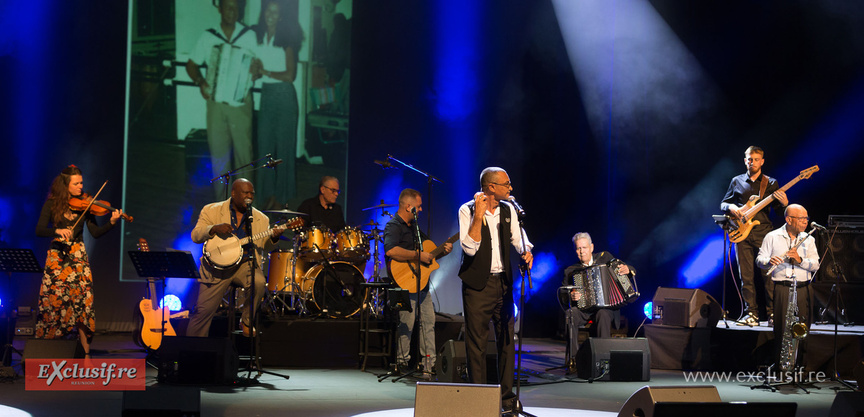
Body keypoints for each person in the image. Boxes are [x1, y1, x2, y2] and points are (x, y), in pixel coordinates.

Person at [458, 167, 533, 415]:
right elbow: (469, 248)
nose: (510, 188)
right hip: (478, 286)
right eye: (506, 184)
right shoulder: (466, 209)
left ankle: (507, 397)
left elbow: (519, 239)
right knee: (477, 343)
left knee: (507, 341)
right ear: (491, 187)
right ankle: (478, 399)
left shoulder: (508, 209)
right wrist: (479, 217)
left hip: (502, 283)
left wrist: (526, 251)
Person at [34, 165, 122, 358]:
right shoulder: (52, 204)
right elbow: (39, 230)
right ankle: (49, 352)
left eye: (81, 182)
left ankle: (87, 355)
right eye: (76, 183)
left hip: (78, 258)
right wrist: (57, 231)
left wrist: (112, 222)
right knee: (53, 304)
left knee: (83, 304)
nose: (81, 187)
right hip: (57, 259)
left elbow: (96, 233)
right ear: (66, 185)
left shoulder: (86, 204)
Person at [187, 178, 283, 337]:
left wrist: (274, 237)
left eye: (252, 193)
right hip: (216, 268)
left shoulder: (260, 218)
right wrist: (213, 229)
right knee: (202, 313)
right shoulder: (212, 210)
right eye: (245, 193)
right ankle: (192, 353)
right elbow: (196, 236)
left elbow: (265, 245)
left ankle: (246, 320)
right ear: (233, 193)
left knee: (259, 282)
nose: (249, 197)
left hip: (244, 264)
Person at [186, 0, 260, 198]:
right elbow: (191, 64)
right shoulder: (208, 36)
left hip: (241, 105)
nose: (232, 11)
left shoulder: (249, 36)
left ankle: (245, 204)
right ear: (219, 9)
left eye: (236, 7)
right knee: (219, 156)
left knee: (244, 156)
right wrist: (200, 81)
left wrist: (257, 71)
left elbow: (259, 66)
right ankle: (222, 203)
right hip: (216, 106)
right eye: (228, 6)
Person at [384, 189, 453, 378]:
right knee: (407, 322)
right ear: (409, 206)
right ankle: (402, 363)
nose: (421, 209)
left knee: (428, 322)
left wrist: (443, 251)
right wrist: (417, 255)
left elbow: (429, 252)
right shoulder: (393, 226)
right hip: (403, 283)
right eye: (418, 206)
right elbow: (391, 251)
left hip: (421, 284)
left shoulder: (415, 228)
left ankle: (428, 365)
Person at [721, 146, 788, 326]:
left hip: (764, 233)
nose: (753, 162)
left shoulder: (771, 183)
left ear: (762, 161)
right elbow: (724, 203)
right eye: (750, 159)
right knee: (746, 276)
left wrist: (784, 203)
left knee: (769, 274)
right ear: (745, 160)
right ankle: (752, 314)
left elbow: (780, 212)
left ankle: (773, 314)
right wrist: (732, 207)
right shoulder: (736, 181)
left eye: (756, 159)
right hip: (742, 233)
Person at [252, 0, 303, 208]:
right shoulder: (258, 37)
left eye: (275, 12)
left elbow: (290, 75)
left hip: (284, 97)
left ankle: (281, 197)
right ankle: (265, 193)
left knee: (283, 150)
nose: (270, 15)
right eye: (268, 10)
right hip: (267, 95)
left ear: (281, 16)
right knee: (264, 147)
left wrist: (264, 72)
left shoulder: (286, 40)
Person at [756, 204, 818, 369]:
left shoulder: (809, 239)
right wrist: (768, 261)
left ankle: (801, 368)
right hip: (783, 287)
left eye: (806, 218)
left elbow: (816, 265)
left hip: (804, 288)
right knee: (782, 329)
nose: (806, 222)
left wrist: (800, 260)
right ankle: (781, 367)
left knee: (803, 329)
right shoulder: (773, 236)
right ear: (789, 219)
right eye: (802, 218)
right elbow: (759, 259)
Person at [561, 232, 635, 373]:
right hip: (584, 310)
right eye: (578, 248)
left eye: (584, 247)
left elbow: (625, 269)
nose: (582, 252)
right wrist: (572, 296)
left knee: (603, 313)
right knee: (571, 314)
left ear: (591, 247)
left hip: (605, 308)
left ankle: (603, 362)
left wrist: (628, 269)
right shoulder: (571, 271)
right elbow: (564, 296)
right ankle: (575, 361)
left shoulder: (605, 257)